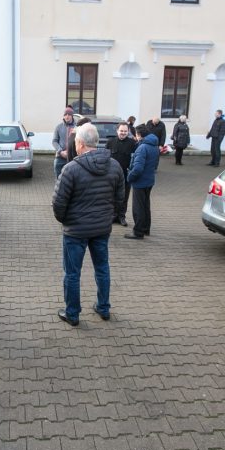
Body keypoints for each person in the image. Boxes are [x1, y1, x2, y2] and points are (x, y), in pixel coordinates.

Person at [52, 123, 124, 326]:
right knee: (102, 268)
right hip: (101, 228)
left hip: (75, 231)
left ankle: (72, 314)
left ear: (80, 143)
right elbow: (120, 199)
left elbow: (58, 203)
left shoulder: (71, 169)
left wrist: (66, 220)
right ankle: (103, 308)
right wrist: (109, 217)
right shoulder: (115, 166)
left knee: (72, 273)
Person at [124, 124, 160, 240]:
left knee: (138, 207)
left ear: (139, 135)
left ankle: (138, 232)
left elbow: (138, 168)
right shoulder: (154, 145)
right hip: (149, 180)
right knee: (145, 205)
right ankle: (145, 228)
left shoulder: (142, 148)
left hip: (140, 182)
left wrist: (129, 177)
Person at [106, 122, 137, 226]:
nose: (123, 133)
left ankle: (121, 216)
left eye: (125, 131)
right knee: (112, 196)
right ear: (117, 131)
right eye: (121, 131)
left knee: (124, 197)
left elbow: (135, 159)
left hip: (126, 175)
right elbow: (106, 158)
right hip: (112, 175)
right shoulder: (110, 142)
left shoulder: (133, 143)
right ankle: (113, 215)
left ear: (128, 131)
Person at [52, 107, 75, 178]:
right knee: (58, 179)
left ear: (72, 116)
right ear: (63, 116)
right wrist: (60, 151)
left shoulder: (77, 127)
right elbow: (54, 141)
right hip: (60, 158)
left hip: (73, 158)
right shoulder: (58, 127)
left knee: (71, 179)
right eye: (65, 114)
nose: (67, 116)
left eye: (69, 114)